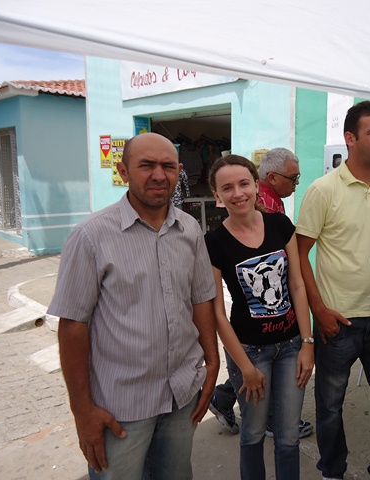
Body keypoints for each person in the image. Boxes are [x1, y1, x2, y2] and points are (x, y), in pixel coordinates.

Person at [49, 132, 219, 480]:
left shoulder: (189, 229)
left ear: (179, 172)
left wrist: (213, 363)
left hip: (182, 393)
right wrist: (82, 411)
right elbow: (73, 325)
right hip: (121, 407)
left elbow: (201, 298)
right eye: (146, 165)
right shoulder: (90, 236)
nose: (158, 175)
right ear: (123, 171)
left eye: (168, 166)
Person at [296, 100, 370, 480]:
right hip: (337, 321)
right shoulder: (323, 190)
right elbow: (300, 253)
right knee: (329, 406)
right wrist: (319, 310)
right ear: (350, 138)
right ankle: (332, 470)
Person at [205, 154, 314, 480]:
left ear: (256, 185)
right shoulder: (213, 243)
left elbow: (297, 284)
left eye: (243, 184)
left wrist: (307, 343)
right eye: (227, 188)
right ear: (217, 195)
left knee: (288, 435)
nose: (238, 193)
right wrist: (246, 368)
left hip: (291, 347)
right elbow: (217, 314)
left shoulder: (280, 225)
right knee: (252, 434)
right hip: (249, 352)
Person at [257, 147, 301, 214]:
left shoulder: (268, 200)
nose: (297, 182)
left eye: (297, 176)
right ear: (272, 178)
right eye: (293, 177)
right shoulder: (267, 206)